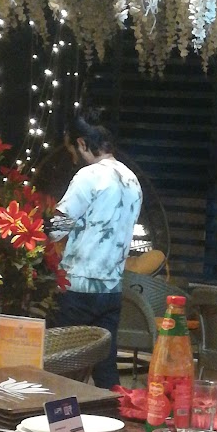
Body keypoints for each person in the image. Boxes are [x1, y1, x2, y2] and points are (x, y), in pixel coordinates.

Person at [48, 112, 143, 390]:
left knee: (59, 367)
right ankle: (111, 412)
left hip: (77, 286)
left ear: (82, 143)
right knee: (105, 368)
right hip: (111, 288)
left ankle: (55, 413)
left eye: (72, 151)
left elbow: (57, 229)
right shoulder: (132, 180)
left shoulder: (88, 176)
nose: (73, 157)